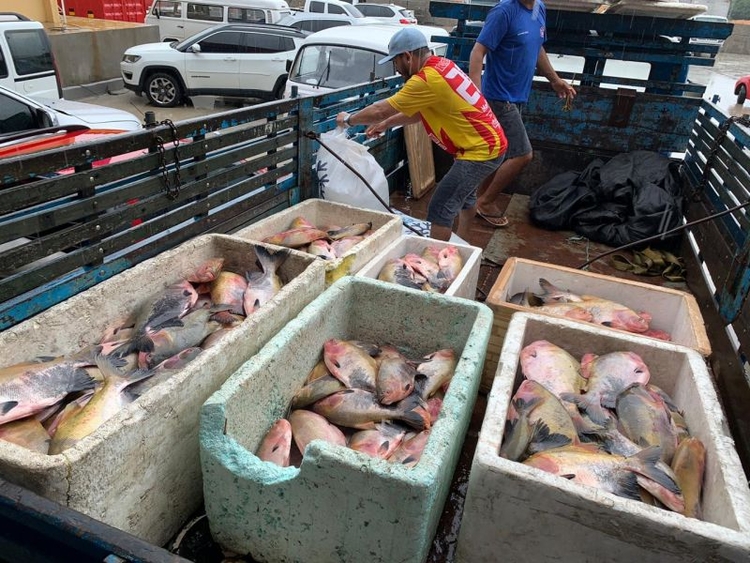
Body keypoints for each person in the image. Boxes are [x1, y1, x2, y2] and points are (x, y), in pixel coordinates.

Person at [336, 27, 507, 242]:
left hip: (481, 151)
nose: (396, 68)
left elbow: (380, 110)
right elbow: (419, 113)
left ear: (407, 57)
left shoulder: (426, 79)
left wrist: (348, 119)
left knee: (440, 207)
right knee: (464, 196)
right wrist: (387, 124)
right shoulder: (443, 65)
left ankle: (437, 258)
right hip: (488, 144)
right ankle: (463, 242)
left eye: (395, 61)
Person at [468, 0, 576, 228]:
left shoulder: (539, 8)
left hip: (518, 97)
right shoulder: (504, 12)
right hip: (499, 97)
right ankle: (485, 202)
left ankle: (476, 200)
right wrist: (476, 96)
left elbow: (536, 47)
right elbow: (478, 51)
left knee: (498, 152)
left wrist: (555, 80)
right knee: (523, 154)